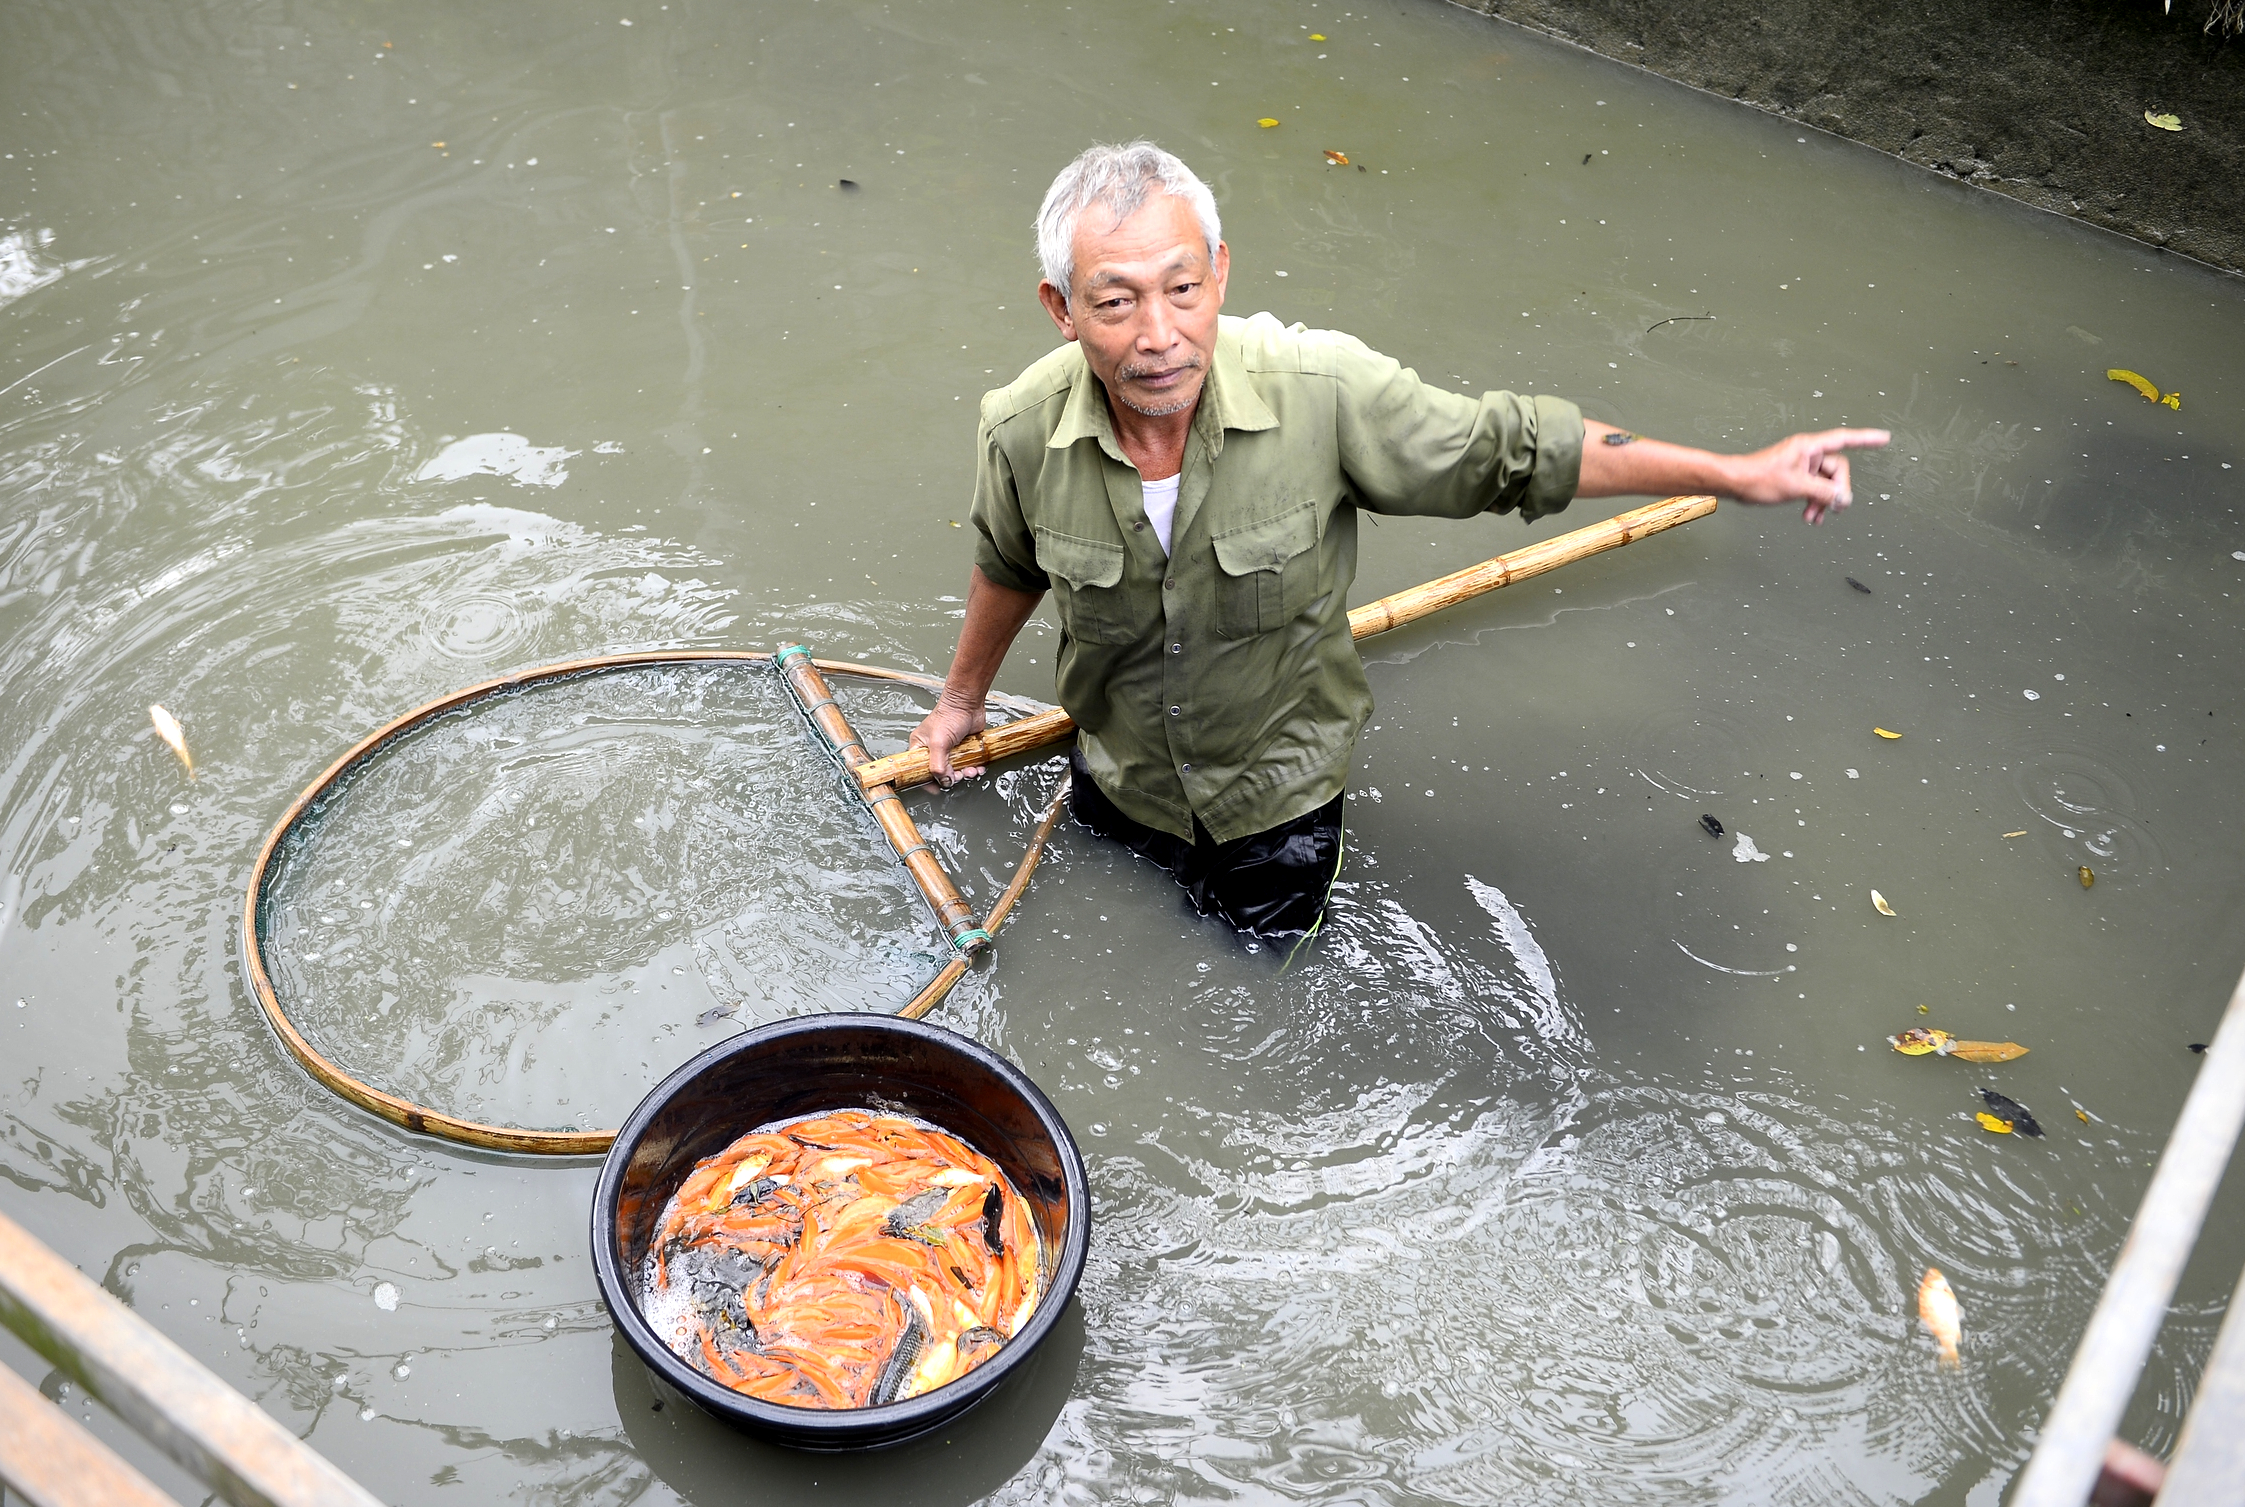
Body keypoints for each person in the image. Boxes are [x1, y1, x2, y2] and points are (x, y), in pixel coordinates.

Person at [908, 141, 1886, 939]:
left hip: (1277, 800)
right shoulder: (1021, 428)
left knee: (1260, 1002)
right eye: (1116, 301)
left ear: (1220, 274)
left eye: (1182, 288)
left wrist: (1735, 472)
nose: (1158, 334)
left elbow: (1510, 450)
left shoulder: (1322, 393)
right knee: (1112, 943)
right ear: (1061, 309)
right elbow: (1008, 562)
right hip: (1116, 779)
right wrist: (959, 701)